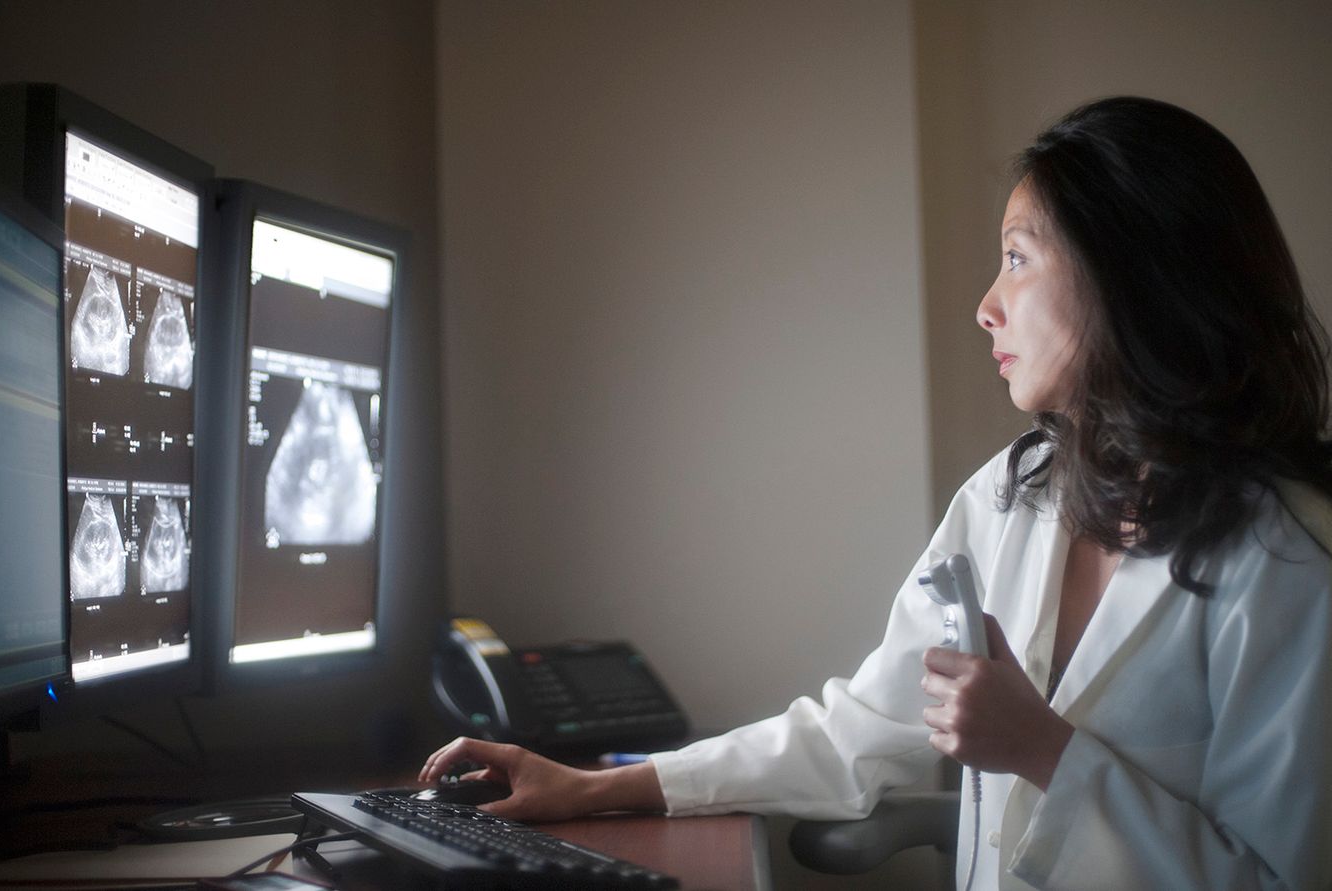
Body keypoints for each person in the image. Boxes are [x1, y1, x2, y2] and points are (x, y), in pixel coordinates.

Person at [420, 97, 1332, 890]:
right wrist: (589, 786)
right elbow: (857, 729)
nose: (987, 303)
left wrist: (1043, 753)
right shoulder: (1010, 499)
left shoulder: (1288, 559)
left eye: (1017, 258)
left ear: (1131, 276)